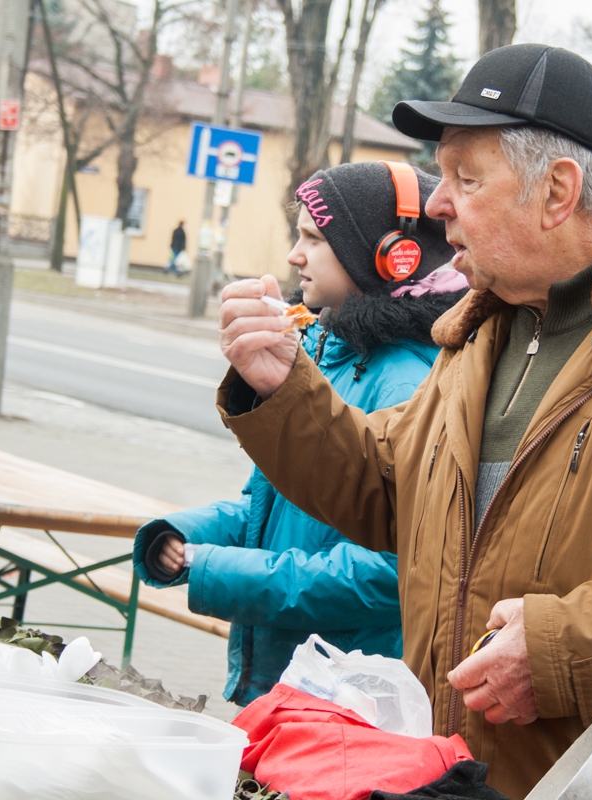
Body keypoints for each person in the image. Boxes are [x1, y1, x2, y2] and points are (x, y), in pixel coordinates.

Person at [213, 44, 592, 799]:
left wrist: (561, 653)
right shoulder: (485, 333)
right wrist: (284, 389)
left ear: (557, 192)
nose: (438, 205)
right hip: (465, 777)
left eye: (466, 179)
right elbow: (391, 488)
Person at [133, 161, 466, 707]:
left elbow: (389, 573)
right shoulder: (326, 353)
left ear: (390, 256)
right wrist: (185, 534)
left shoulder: (404, 382)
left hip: (343, 699)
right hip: (299, 685)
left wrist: (207, 565)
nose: (294, 255)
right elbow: (272, 507)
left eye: (314, 238)